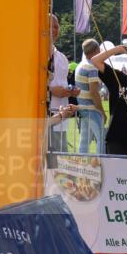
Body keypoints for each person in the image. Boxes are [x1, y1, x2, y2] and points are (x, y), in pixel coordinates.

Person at [47, 14, 76, 152]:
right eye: (49, 26)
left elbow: (63, 83)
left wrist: (71, 91)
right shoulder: (33, 54)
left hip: (61, 120)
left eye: (56, 26)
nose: (53, 29)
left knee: (59, 166)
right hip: (44, 121)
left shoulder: (62, 57)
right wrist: (51, 90)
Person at [75, 39, 107, 154]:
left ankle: (81, 167)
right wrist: (101, 111)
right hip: (92, 109)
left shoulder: (81, 65)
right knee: (102, 138)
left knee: (84, 140)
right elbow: (93, 92)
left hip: (83, 108)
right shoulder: (92, 67)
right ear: (96, 50)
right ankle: (101, 165)